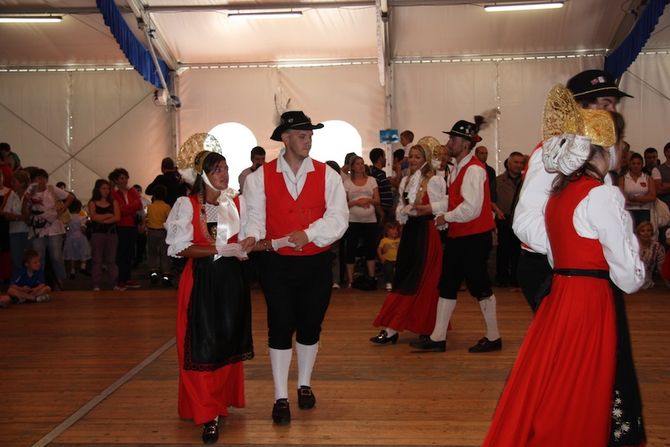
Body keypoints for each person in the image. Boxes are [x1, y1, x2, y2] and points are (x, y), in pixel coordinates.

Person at [482, 88, 646, 446]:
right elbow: (628, 278)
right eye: (620, 144)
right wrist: (635, 260)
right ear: (606, 147)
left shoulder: (559, 193)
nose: (623, 151)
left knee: (556, 378)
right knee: (584, 381)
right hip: (590, 299)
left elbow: (557, 255)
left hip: (561, 296)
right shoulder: (602, 194)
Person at [244, 110, 348, 425]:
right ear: (285, 139)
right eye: (303, 136)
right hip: (276, 264)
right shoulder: (259, 177)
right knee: (279, 325)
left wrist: (309, 234)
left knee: (310, 325)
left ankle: (304, 384)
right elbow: (254, 217)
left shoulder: (328, 175)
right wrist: (251, 236)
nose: (308, 141)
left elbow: (338, 218)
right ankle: (280, 396)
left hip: (316, 262)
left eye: (310, 136)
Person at [513, 69, 632, 312]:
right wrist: (571, 252)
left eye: (614, 104)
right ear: (578, 108)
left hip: (587, 271)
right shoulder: (553, 154)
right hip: (553, 270)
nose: (612, 112)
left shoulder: (599, 157)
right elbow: (525, 222)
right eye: (605, 104)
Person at [165, 149, 254, 444]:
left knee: (227, 341)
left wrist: (246, 244)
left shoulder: (235, 203)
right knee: (201, 346)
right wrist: (218, 249)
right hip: (201, 280)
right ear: (203, 174)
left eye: (226, 168)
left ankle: (220, 400)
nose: (224, 174)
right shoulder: (188, 204)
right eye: (217, 170)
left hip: (231, 280)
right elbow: (179, 247)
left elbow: (244, 237)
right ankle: (208, 412)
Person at [412, 117, 501, 353]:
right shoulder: (457, 168)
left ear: (465, 143)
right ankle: (438, 337)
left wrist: (446, 217)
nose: (449, 142)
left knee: (479, 285)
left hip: (474, 237)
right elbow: (453, 200)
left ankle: (494, 336)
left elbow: (471, 208)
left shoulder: (473, 170)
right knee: (448, 284)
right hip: (460, 236)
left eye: (453, 138)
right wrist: (430, 208)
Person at [370, 144, 445, 345]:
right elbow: (402, 207)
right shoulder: (406, 180)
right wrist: (403, 212)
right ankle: (392, 328)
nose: (412, 160)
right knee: (404, 277)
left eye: (417, 157)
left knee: (425, 280)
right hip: (410, 232)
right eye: (411, 156)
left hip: (427, 233)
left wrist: (421, 209)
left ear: (426, 159)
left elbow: (440, 207)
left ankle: (424, 327)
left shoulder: (435, 180)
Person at [25, 168, 74, 290]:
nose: (41, 181)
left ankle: (60, 280)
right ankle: (39, 281)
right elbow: (26, 208)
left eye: (43, 178)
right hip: (38, 227)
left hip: (54, 226)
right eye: (38, 178)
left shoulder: (52, 189)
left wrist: (62, 209)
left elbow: (70, 197)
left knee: (56, 255)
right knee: (38, 256)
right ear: (33, 180)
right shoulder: (30, 192)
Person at [343, 155, 380, 288]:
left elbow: (377, 200)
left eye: (362, 163)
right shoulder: (347, 182)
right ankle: (350, 280)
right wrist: (356, 202)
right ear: (352, 167)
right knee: (351, 248)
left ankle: (371, 276)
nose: (361, 166)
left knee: (370, 248)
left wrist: (368, 200)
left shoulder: (372, 180)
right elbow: (343, 204)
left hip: (370, 220)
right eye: (357, 164)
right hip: (353, 220)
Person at [108, 168, 142, 289]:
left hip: (132, 225)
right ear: (116, 180)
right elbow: (119, 210)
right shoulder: (113, 193)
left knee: (130, 253)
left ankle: (127, 278)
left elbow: (139, 205)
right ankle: (120, 279)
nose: (124, 180)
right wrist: (131, 208)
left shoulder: (132, 191)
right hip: (120, 226)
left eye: (125, 178)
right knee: (121, 253)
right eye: (121, 178)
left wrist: (127, 208)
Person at [495, 152, 524, 287]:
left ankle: (516, 280)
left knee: (517, 251)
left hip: (519, 220)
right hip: (503, 218)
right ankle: (502, 279)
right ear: (508, 163)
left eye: (521, 163)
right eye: (516, 162)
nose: (519, 165)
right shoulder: (498, 180)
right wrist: (497, 210)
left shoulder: (526, 181)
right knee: (503, 250)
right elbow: (490, 199)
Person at [88, 179, 121, 291]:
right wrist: (108, 215)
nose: (106, 191)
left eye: (108, 188)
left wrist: (103, 220)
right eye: (103, 188)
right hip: (97, 234)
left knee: (111, 260)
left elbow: (117, 217)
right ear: (98, 189)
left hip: (111, 234)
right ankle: (96, 284)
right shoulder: (92, 202)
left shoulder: (114, 202)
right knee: (97, 260)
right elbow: (93, 217)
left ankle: (114, 283)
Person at [3, 169, 31, 277]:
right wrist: (21, 217)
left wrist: (15, 217)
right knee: (16, 259)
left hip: (28, 232)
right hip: (14, 232)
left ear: (22, 183)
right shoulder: (11, 195)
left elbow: (30, 215)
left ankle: (30, 280)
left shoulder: (29, 196)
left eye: (14, 181)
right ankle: (18, 280)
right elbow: (6, 214)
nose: (12, 184)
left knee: (29, 258)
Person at [619, 152, 656, 228]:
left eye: (638, 164)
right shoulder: (623, 179)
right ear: (630, 165)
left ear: (642, 165)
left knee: (644, 232)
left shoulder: (648, 178)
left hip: (645, 210)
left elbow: (652, 196)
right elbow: (621, 197)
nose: (636, 166)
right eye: (633, 163)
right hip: (628, 210)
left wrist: (636, 199)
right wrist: (637, 203)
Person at [146, 184, 172, 286]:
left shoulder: (150, 207)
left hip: (151, 232)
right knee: (164, 254)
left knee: (152, 253)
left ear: (154, 195)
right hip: (163, 232)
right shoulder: (166, 207)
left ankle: (153, 273)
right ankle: (166, 276)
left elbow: (146, 218)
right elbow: (169, 220)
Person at [63, 199, 91, 279]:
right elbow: (82, 228)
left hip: (70, 238)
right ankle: (83, 267)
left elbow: (66, 228)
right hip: (80, 238)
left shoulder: (68, 218)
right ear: (79, 208)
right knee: (83, 252)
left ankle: (72, 271)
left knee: (72, 254)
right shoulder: (81, 218)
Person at [636, 220, 667, 289]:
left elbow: (662, 267)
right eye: (642, 231)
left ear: (652, 233)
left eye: (648, 230)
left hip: (647, 284)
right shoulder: (631, 245)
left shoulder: (657, 247)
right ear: (638, 233)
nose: (646, 233)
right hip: (629, 281)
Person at [368, 148, 394, 223]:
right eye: (384, 157)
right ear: (380, 158)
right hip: (381, 210)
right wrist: (381, 213)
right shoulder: (375, 174)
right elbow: (374, 194)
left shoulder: (381, 173)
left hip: (386, 209)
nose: (386, 159)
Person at [377, 221, 400, 291]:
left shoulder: (399, 240)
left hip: (397, 260)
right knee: (388, 270)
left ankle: (397, 284)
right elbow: (379, 249)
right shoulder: (384, 240)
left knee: (397, 271)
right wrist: (381, 256)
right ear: (387, 231)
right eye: (393, 229)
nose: (395, 231)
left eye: (396, 229)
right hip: (388, 260)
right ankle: (388, 283)